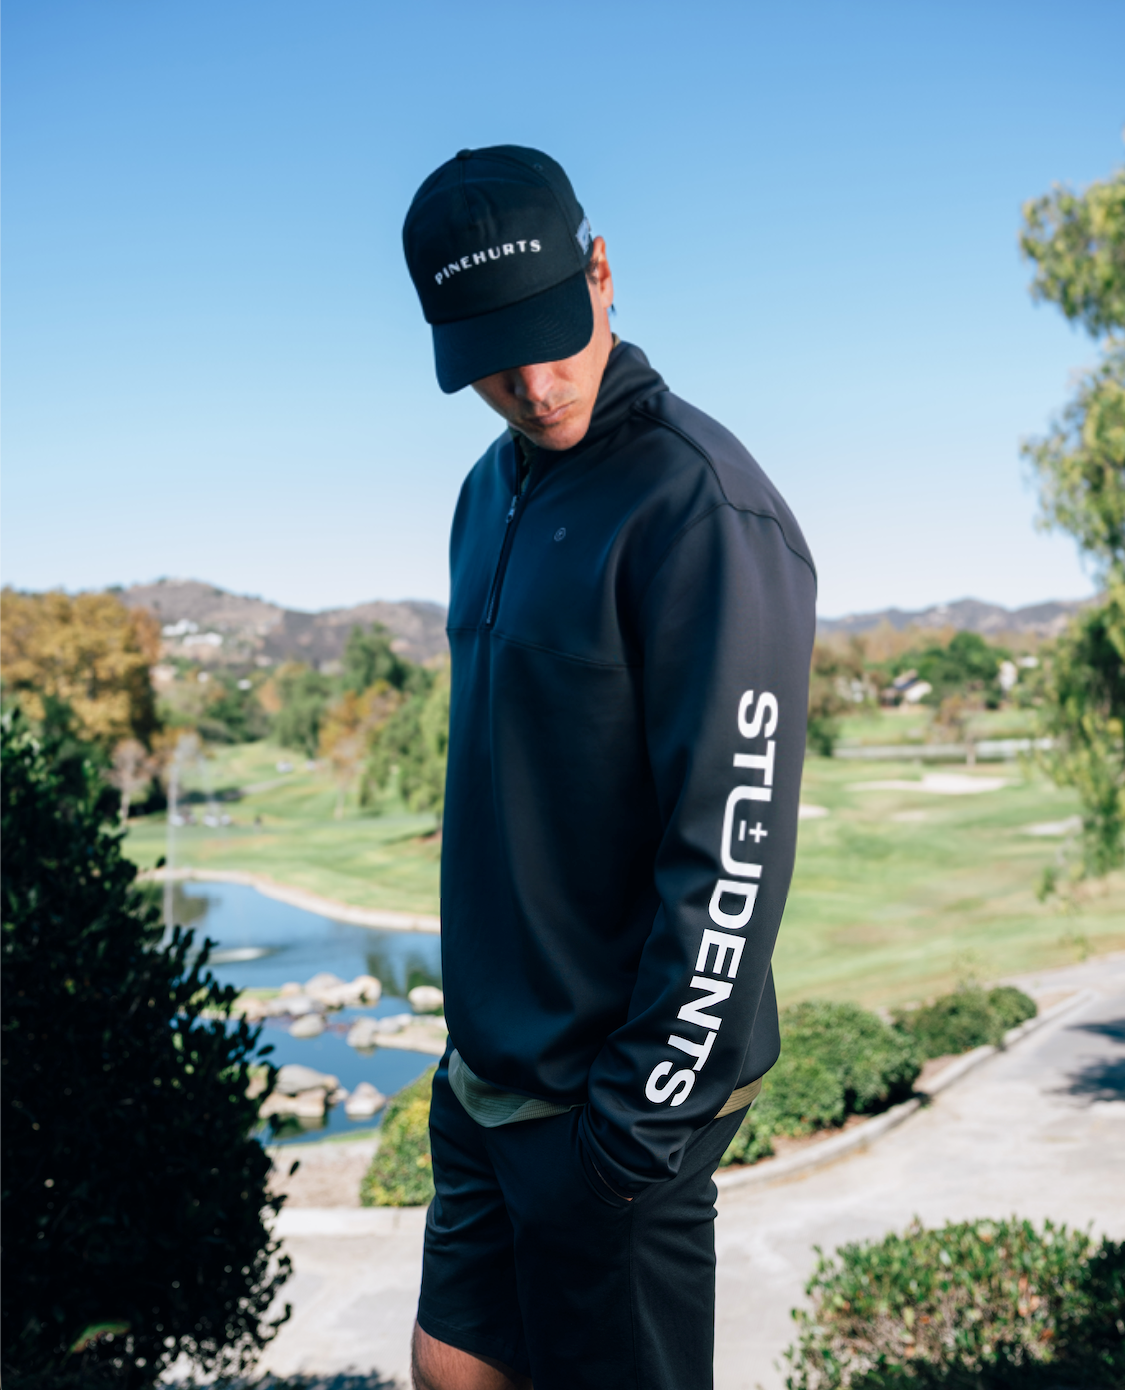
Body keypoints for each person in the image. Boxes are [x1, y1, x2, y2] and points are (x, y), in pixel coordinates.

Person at [401, 146, 816, 1390]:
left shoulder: (700, 505)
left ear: (601, 274)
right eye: (493, 356)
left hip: (615, 1108)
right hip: (488, 1079)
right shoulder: (486, 494)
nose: (533, 385)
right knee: (449, 1369)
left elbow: (732, 851)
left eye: (548, 337)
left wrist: (631, 1136)